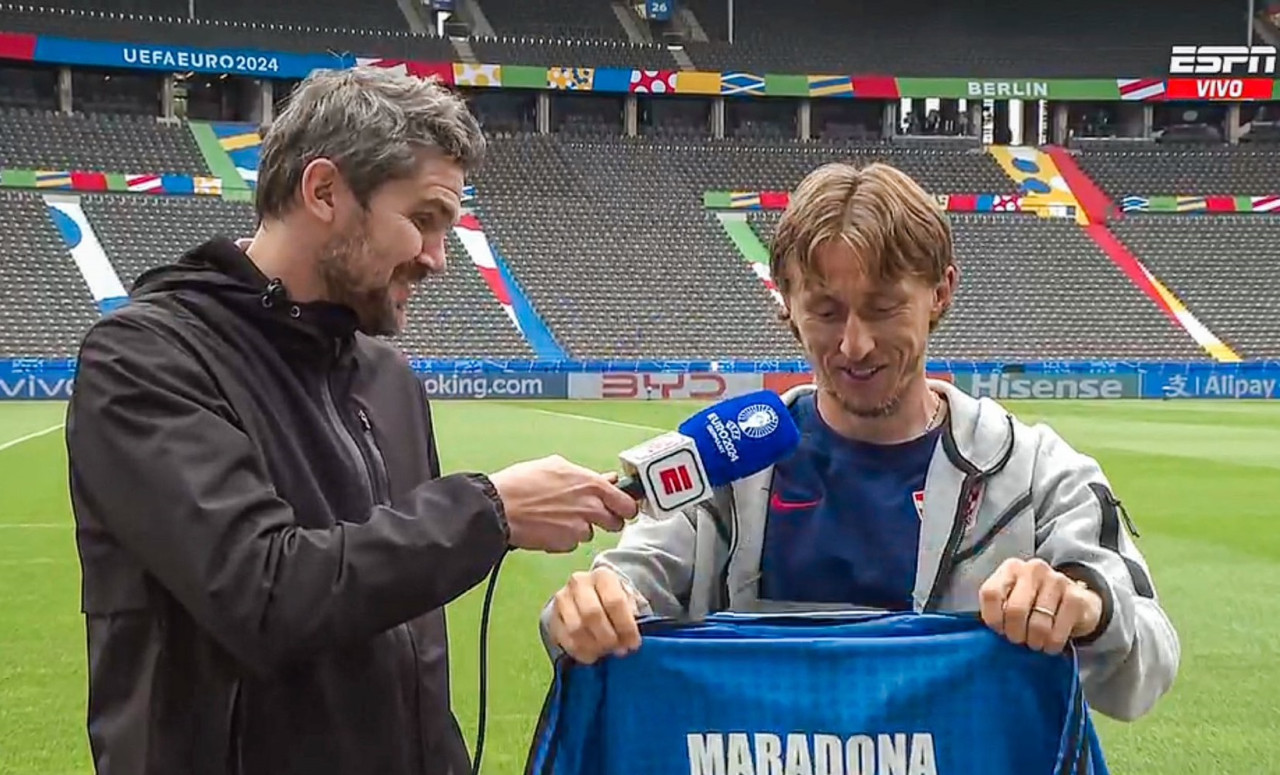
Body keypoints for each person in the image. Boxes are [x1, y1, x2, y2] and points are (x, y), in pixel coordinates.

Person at [65, 66, 637, 775]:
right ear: (325, 190)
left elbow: (410, 649)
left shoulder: (387, 377)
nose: (436, 256)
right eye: (423, 219)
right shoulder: (147, 358)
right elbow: (262, 594)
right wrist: (488, 509)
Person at [541, 161, 1180, 723]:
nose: (854, 345)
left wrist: (1086, 607)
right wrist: (594, 606)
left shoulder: (1037, 472)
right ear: (786, 303)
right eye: (825, 311)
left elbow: (1146, 668)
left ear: (940, 294)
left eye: (882, 308)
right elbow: (615, 595)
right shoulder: (725, 464)